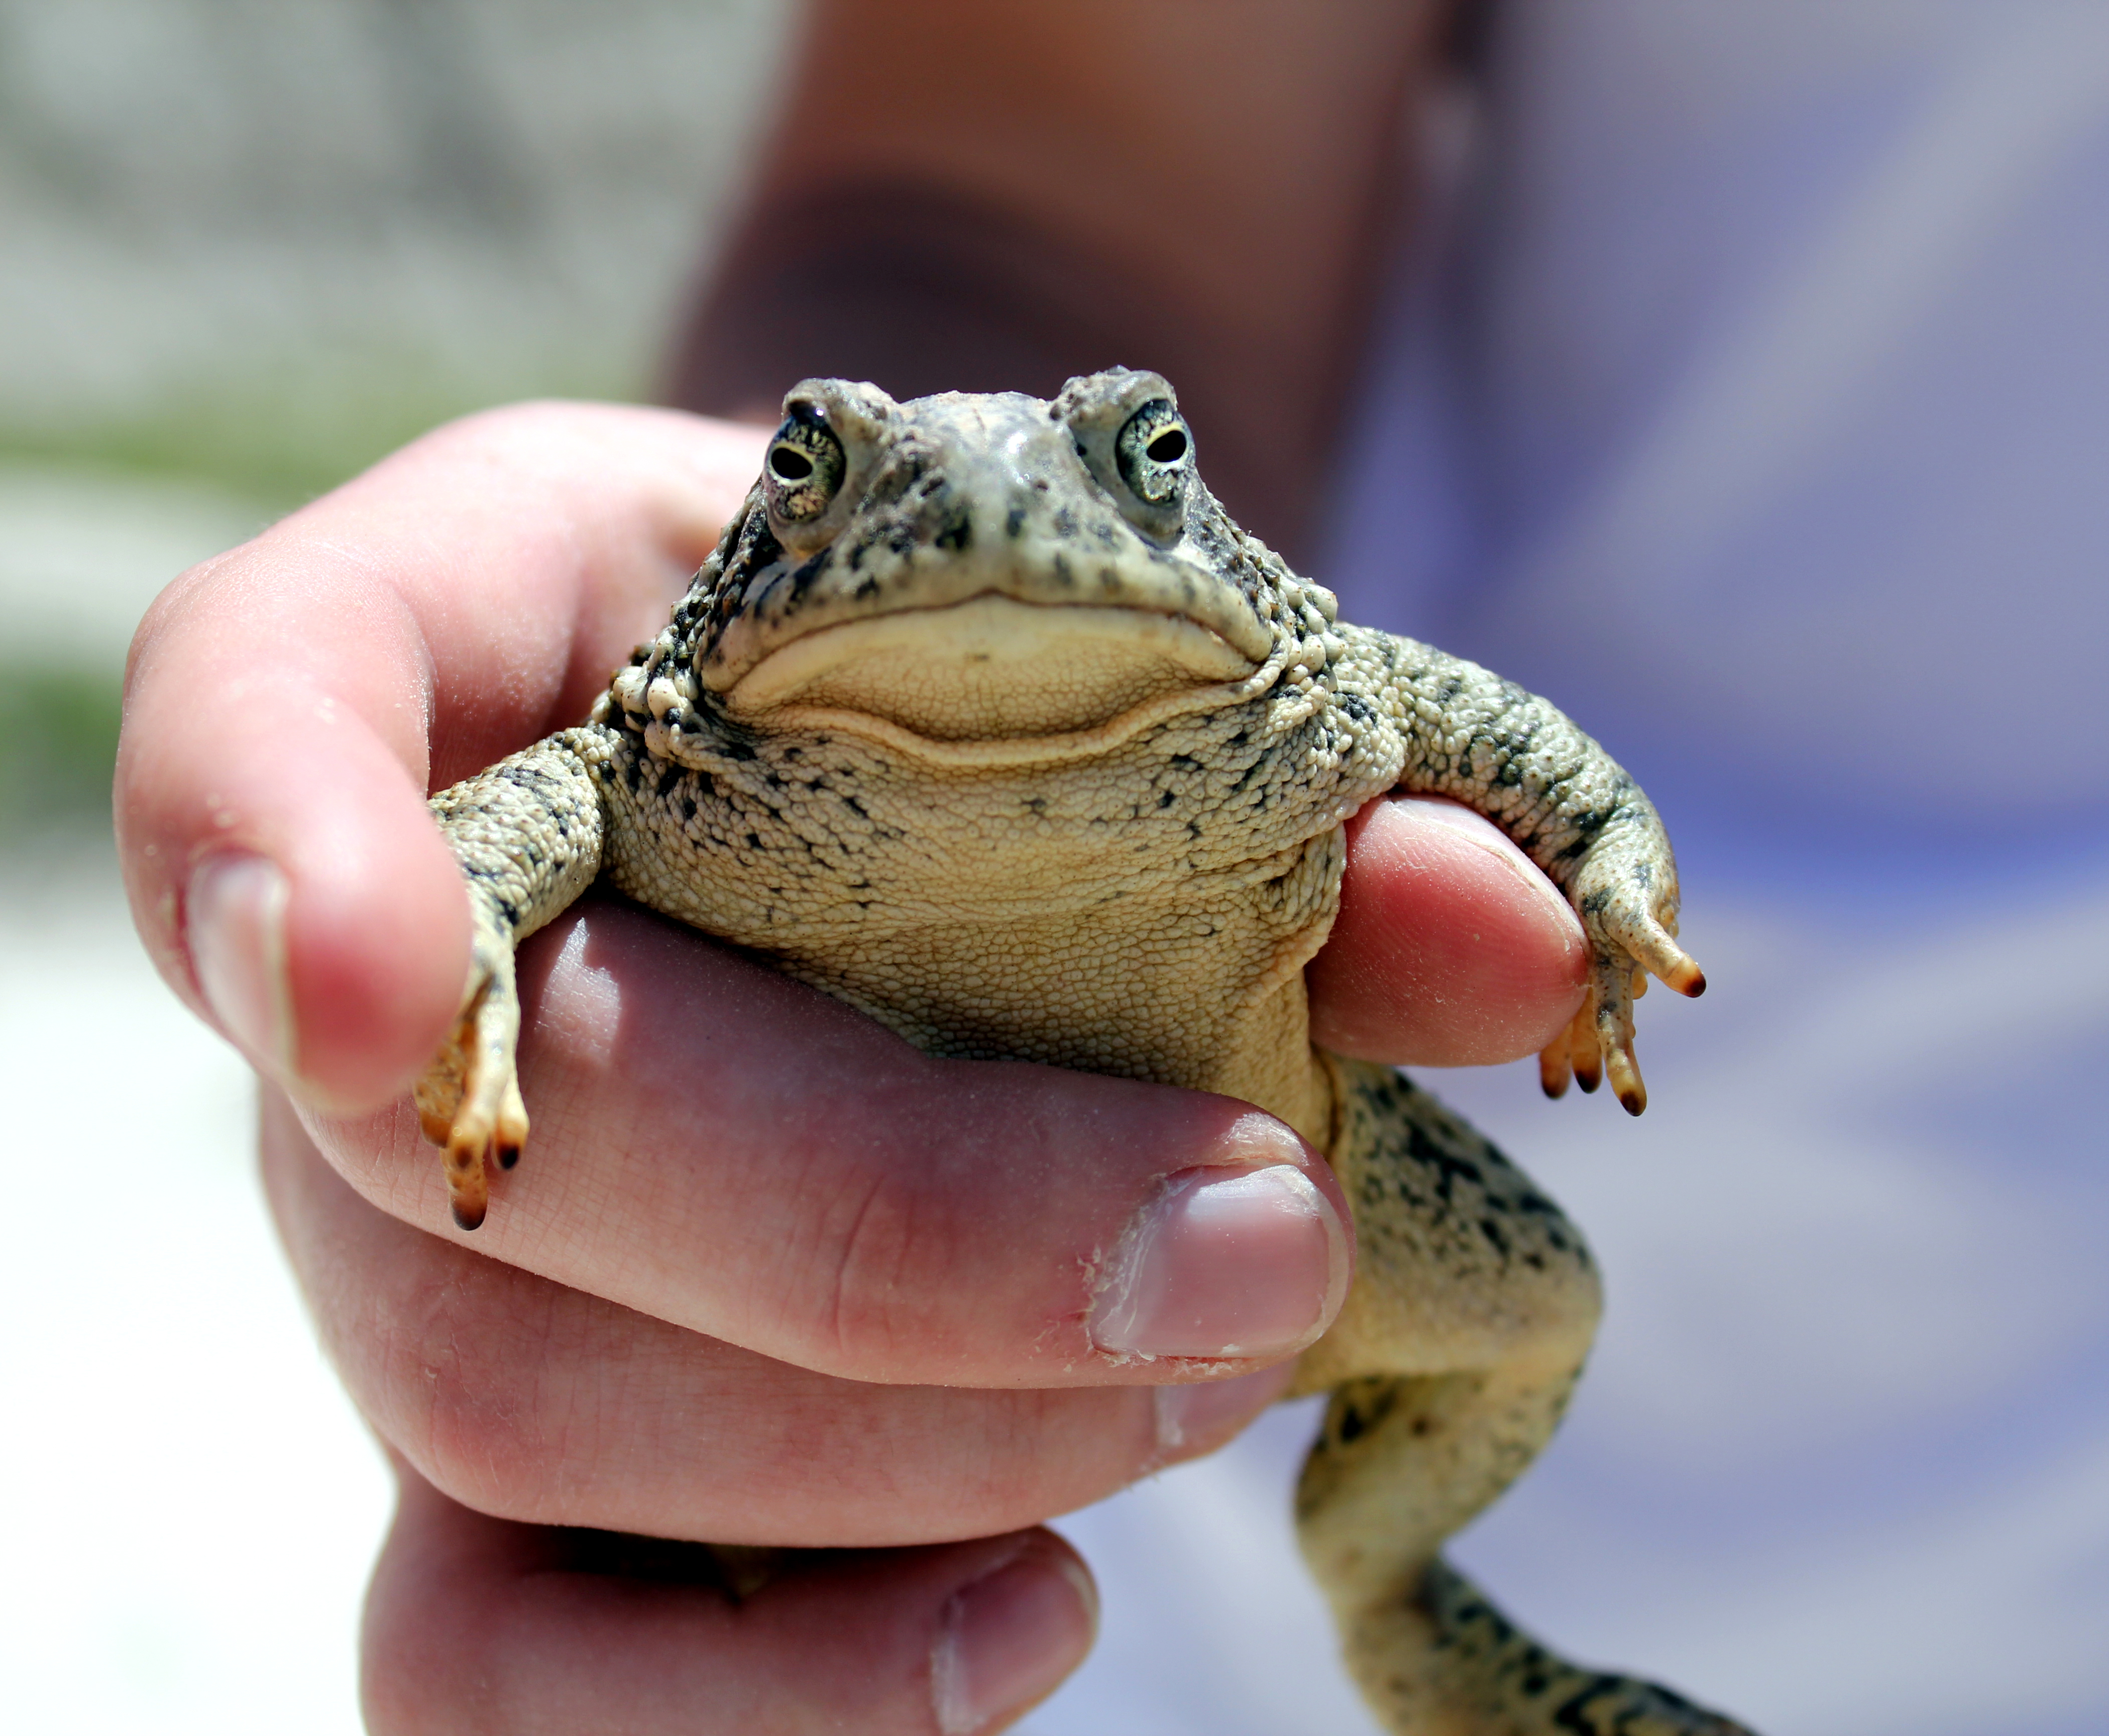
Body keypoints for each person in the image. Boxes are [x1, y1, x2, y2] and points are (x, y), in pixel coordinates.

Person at [119, 1, 2109, 1730]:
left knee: (1524, 1308)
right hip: (1088, 1536)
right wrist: (449, 966)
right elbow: (536, 811)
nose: (995, 517)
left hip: (1370, 1247)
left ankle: (1404, 1597)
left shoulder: (1297, 687)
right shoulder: (691, 737)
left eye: (1123, 470)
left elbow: (1482, 731)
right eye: (824, 479)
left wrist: (1602, 868)